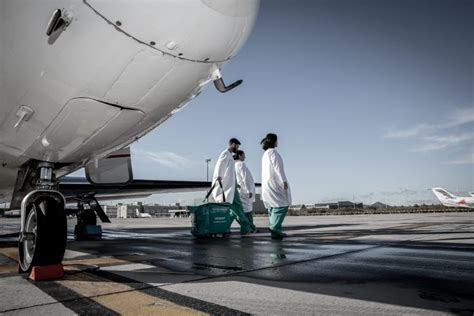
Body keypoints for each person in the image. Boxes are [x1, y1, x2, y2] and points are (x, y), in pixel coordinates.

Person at [212, 138, 252, 234]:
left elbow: (230, 173)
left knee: (235, 210)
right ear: (233, 144)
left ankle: (224, 228)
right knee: (237, 209)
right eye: (237, 146)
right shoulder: (225, 153)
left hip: (232, 187)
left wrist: (235, 183)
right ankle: (248, 228)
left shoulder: (229, 156)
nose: (237, 149)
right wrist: (219, 176)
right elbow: (220, 165)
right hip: (228, 188)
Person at [260, 133, 291, 239]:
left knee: (272, 206)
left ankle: (275, 232)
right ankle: (275, 227)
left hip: (267, 184)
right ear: (274, 141)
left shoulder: (265, 154)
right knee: (282, 204)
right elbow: (278, 168)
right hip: (275, 183)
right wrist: (283, 181)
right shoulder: (273, 152)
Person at [234, 150, 258, 233]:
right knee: (248, 210)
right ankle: (250, 228)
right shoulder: (241, 164)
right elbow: (245, 178)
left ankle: (248, 228)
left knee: (244, 210)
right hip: (245, 191)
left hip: (240, 190)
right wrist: (249, 190)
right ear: (240, 156)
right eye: (244, 155)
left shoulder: (234, 165)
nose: (245, 157)